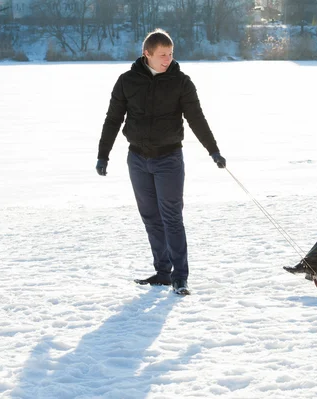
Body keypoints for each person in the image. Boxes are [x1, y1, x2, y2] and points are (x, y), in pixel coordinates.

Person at [95, 29, 226, 294]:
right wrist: (102, 154)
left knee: (171, 218)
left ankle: (180, 276)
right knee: (151, 218)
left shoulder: (181, 82)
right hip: (138, 159)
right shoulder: (127, 81)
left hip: (169, 159)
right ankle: (163, 272)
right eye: (163, 55)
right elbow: (113, 119)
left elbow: (196, 118)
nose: (168, 60)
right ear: (147, 54)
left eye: (171, 54)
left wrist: (213, 150)